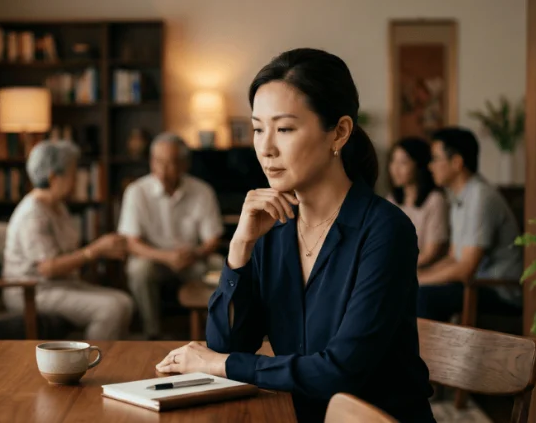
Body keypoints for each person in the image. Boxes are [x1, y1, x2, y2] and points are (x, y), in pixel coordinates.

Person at [155, 48, 435, 423]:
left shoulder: (385, 231)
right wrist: (239, 247)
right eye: (257, 129)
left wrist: (220, 364)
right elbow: (228, 344)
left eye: (284, 129)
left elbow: (340, 372)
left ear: (339, 132)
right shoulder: (273, 226)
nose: (266, 148)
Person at [2, 140, 134, 340]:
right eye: (73, 174)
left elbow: (69, 254)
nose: (76, 181)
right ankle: (92, 363)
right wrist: (96, 250)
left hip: (61, 284)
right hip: (33, 291)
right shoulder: (32, 214)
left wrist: (102, 250)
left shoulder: (58, 207)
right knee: (111, 308)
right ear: (54, 177)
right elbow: (48, 268)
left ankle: (112, 358)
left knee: (123, 301)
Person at [118, 132, 224, 339]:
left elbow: (213, 239)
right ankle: (152, 331)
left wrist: (194, 253)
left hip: (192, 258)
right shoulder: (136, 191)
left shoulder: (202, 191)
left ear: (185, 164)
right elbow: (131, 242)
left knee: (219, 265)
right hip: (154, 259)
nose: (163, 170)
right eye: (158, 162)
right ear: (151, 162)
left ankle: (212, 331)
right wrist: (166, 257)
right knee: (139, 269)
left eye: (171, 163)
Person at [417, 127, 523, 321]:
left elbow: (466, 268)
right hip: (476, 283)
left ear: (456, 162)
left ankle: (427, 352)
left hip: (499, 289)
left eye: (435, 158)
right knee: (411, 291)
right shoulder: (459, 197)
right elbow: (453, 258)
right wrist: (420, 275)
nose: (430, 166)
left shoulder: (481, 197)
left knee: (422, 297)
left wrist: (419, 281)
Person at [387, 137, 449, 267]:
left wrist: (396, 269)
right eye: (393, 161)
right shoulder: (391, 200)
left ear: (419, 165)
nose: (395, 168)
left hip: (426, 273)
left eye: (403, 162)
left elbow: (431, 253)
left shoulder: (435, 200)